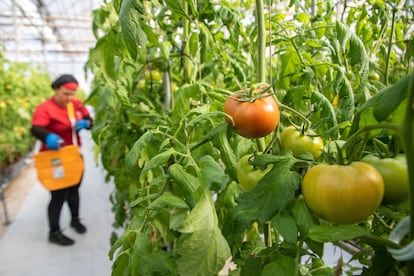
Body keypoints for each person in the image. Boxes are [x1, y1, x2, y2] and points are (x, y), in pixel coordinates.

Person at [30, 74, 93, 246]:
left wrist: (86, 123)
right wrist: (48, 136)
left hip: (73, 155)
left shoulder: (76, 105)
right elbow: (36, 128)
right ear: (56, 89)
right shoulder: (45, 108)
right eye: (66, 94)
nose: (70, 98)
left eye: (73, 94)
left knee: (74, 189)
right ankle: (54, 232)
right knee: (58, 194)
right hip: (56, 158)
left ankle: (75, 220)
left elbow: (90, 120)